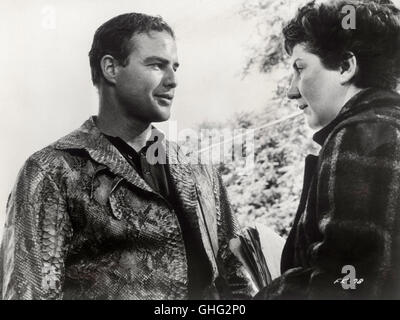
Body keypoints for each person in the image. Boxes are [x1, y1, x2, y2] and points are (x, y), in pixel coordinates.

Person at [0, 13, 256, 300]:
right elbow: (29, 294)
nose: (172, 81)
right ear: (111, 68)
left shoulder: (201, 171)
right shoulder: (51, 171)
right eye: (157, 65)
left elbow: (237, 285)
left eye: (174, 67)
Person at [256, 0, 400, 299]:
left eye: (300, 68)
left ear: (345, 67)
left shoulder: (360, 135)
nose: (291, 90)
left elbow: (346, 285)